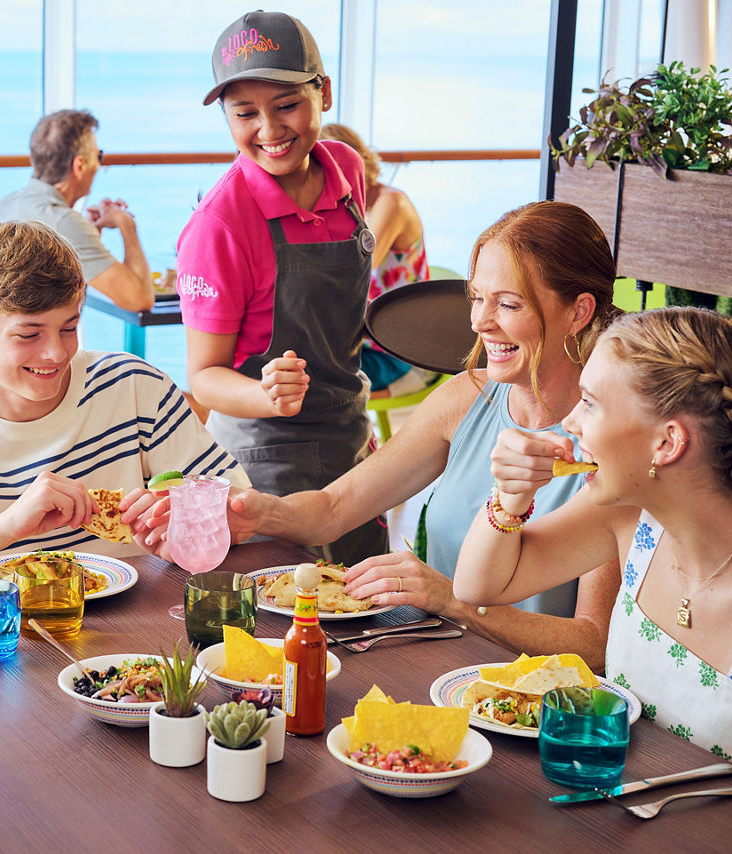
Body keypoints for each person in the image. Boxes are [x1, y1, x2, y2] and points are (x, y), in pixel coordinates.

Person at [149, 201, 622, 670]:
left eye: (508, 303)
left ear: (579, 311)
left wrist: (450, 599)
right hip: (435, 666)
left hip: (535, 706)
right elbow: (336, 508)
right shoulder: (467, 397)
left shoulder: (612, 444)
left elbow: (595, 643)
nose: (479, 321)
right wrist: (257, 514)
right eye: (478, 297)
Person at [454, 308, 732, 795]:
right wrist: (509, 495)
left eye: (590, 402)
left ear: (667, 442)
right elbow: (479, 587)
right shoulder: (631, 516)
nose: (569, 421)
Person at [0, 220, 248, 565]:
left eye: (69, 327)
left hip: (140, 618)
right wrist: (8, 526)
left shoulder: (136, 388)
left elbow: (240, 508)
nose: (56, 353)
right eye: (29, 335)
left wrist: (184, 531)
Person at [176, 11, 382, 564]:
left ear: (325, 94)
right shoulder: (218, 226)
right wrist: (265, 394)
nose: (269, 131)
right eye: (245, 113)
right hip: (265, 463)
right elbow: (203, 376)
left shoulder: (345, 168)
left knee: (373, 623)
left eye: (287, 105)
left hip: (350, 441)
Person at [0, 109, 154, 312]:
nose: (99, 165)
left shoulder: (8, 203)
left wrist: (88, 229)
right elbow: (140, 299)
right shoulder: (64, 223)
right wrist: (126, 224)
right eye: (98, 156)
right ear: (79, 165)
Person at [318, 122, 439, 397]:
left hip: (404, 352)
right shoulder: (348, 209)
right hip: (374, 341)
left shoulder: (391, 203)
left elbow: (355, 271)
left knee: (312, 376)